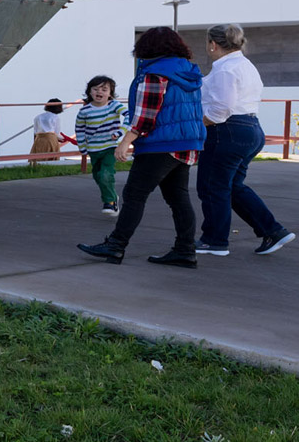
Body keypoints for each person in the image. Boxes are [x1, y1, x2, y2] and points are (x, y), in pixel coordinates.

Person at [77, 26, 205, 267]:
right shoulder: (189, 72)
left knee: (134, 194)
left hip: (159, 144)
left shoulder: (155, 73)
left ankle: (116, 246)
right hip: (187, 143)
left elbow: (146, 115)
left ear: (148, 47)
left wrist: (125, 142)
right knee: (178, 198)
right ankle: (185, 251)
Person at [197, 24, 295, 256]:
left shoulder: (225, 69)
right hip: (250, 128)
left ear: (213, 44)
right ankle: (273, 231)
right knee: (232, 186)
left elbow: (222, 108)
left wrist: (199, 124)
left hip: (226, 131)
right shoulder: (246, 65)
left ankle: (215, 241)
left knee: (212, 187)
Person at [73, 76, 126, 215]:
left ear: (110, 93)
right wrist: (82, 146)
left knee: (105, 174)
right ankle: (112, 197)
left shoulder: (114, 105)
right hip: (93, 149)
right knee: (98, 176)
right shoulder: (84, 111)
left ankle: (110, 202)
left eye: (104, 89)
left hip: (110, 147)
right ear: (89, 92)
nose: (99, 92)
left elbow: (129, 116)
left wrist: (120, 132)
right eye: (95, 89)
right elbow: (79, 129)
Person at [30, 98, 66, 162]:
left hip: (39, 139)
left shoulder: (38, 117)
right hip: (51, 139)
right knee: (51, 158)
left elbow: (35, 132)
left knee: (38, 158)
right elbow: (57, 133)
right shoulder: (55, 117)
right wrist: (64, 138)